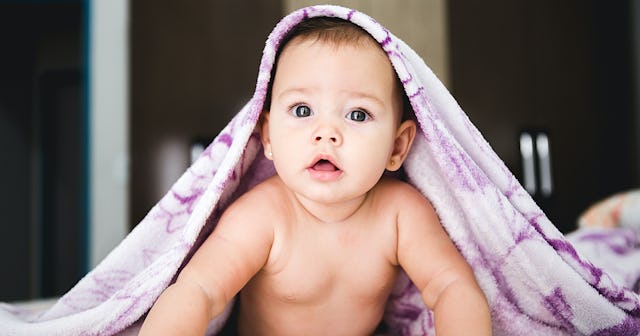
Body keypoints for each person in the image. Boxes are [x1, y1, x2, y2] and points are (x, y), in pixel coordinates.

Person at [140, 16, 492, 336]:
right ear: (267, 136)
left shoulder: (401, 214)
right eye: (303, 110)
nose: (326, 133)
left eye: (357, 114)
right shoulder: (262, 215)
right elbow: (199, 290)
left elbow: (452, 287)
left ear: (397, 147)